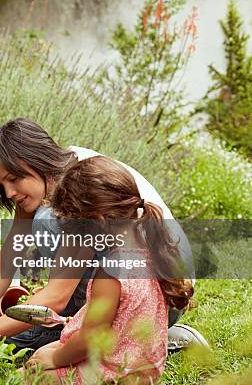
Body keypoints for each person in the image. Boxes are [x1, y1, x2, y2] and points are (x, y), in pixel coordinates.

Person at [0, 118, 207, 381]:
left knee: (45, 227)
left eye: (13, 178)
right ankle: (133, 340)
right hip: (144, 291)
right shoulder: (51, 175)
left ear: (35, 160)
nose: (8, 193)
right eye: (1, 185)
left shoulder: (81, 191)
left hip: (162, 297)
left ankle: (151, 339)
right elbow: (3, 267)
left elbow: (57, 297)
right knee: (17, 342)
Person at [18, 155, 193, 384]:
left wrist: (54, 359)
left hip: (114, 373)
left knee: (26, 376)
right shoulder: (148, 247)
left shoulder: (110, 274)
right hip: (142, 366)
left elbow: (89, 339)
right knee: (44, 353)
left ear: (97, 221)